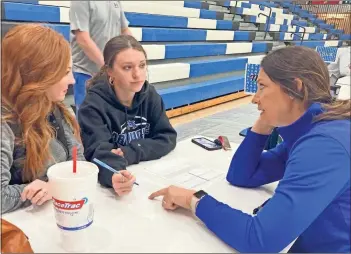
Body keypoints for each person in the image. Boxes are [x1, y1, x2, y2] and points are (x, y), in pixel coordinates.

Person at [149, 46, 351, 252]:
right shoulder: (313, 130)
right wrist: (263, 125)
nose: (255, 98)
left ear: (296, 88)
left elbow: (259, 240)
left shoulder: (324, 144)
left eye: (262, 87)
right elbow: (241, 175)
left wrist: (192, 200)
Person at [78, 35, 177, 196]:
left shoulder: (150, 95)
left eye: (142, 65)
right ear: (110, 71)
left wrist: (130, 151)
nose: (137, 75)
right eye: (127, 67)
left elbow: (167, 137)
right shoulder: (93, 106)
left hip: (150, 175)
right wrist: (115, 176)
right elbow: (98, 154)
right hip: (117, 187)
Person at [1, 24, 85, 214]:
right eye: (64, 72)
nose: (72, 80)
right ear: (37, 75)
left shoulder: (57, 108)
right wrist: (43, 189)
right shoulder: (4, 121)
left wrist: (53, 186)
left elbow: (77, 160)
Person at [70, 1, 133, 112]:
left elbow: (125, 30)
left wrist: (136, 52)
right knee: (88, 122)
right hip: (86, 73)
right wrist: (106, 66)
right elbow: (82, 38)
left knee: (111, 119)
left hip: (110, 73)